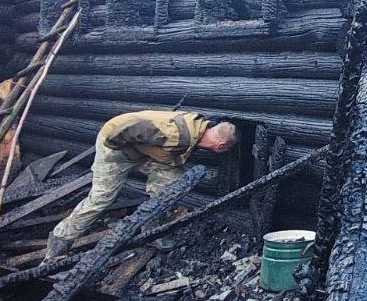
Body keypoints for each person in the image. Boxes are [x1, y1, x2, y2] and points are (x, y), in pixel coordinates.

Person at [46, 110, 238, 258]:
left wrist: (151, 155)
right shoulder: (175, 134)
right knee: (101, 199)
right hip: (115, 147)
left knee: (168, 189)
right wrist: (139, 152)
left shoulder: (199, 127)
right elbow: (123, 131)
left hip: (146, 151)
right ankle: (59, 242)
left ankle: (152, 233)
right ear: (221, 147)